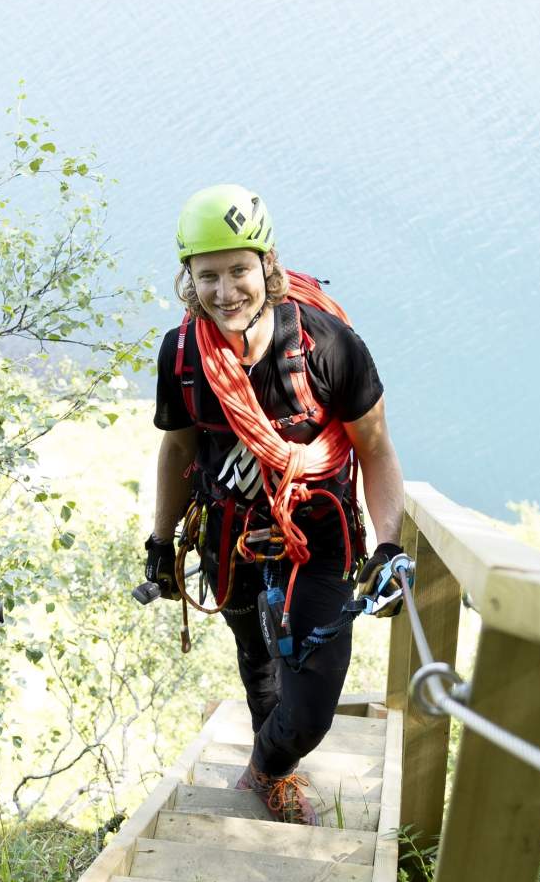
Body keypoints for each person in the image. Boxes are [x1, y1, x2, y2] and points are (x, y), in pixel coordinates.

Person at [146, 183, 407, 828]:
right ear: (190, 279)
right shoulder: (183, 358)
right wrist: (159, 540)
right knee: (255, 658)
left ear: (267, 266)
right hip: (229, 534)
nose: (226, 291)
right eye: (208, 275)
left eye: (239, 270)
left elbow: (374, 450)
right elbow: (179, 453)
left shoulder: (328, 347)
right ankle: (277, 776)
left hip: (318, 536)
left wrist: (389, 545)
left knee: (313, 705)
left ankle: (268, 762)